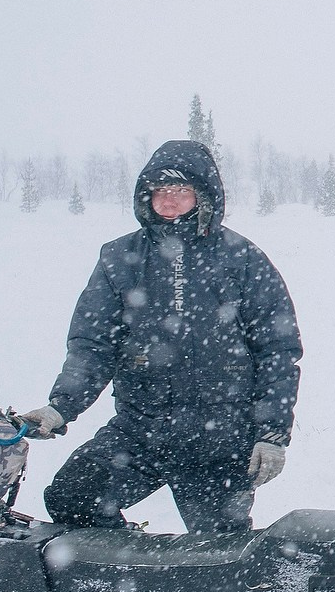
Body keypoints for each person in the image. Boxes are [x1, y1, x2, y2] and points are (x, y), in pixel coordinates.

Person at [23, 140, 303, 532]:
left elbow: (277, 352)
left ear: (203, 196)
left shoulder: (242, 258)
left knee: (220, 557)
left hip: (220, 438)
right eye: (159, 192)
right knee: (74, 496)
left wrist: (271, 434)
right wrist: (61, 407)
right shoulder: (119, 258)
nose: (168, 202)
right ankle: (122, 578)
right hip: (142, 430)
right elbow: (92, 345)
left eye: (180, 191)